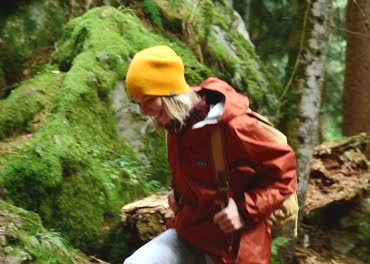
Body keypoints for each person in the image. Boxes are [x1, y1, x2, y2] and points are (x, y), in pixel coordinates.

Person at [123, 45, 297, 264]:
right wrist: (178, 193)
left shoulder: (233, 126)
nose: (144, 112)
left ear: (172, 94)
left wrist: (243, 211)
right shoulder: (176, 127)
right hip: (191, 234)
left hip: (234, 249)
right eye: (137, 103)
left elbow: (284, 175)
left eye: (149, 100)